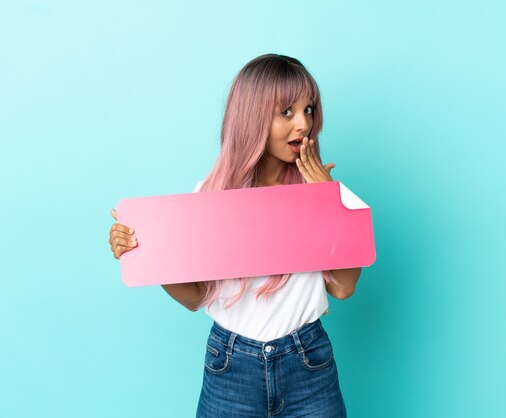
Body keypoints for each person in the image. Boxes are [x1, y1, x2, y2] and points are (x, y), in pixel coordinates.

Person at [108, 54, 362, 417]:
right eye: (286, 112)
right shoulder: (211, 197)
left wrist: (329, 203)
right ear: (253, 118)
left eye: (309, 109)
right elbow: (195, 297)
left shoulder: (324, 189)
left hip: (308, 362)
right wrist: (146, 256)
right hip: (231, 366)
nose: (303, 123)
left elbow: (343, 287)